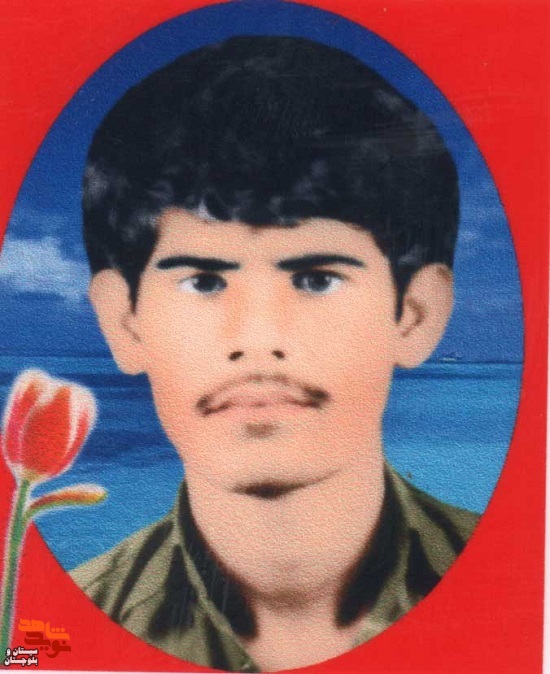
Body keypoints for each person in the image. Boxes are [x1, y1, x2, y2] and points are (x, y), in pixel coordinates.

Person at [71, 36, 479, 672]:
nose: (258, 338)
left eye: (316, 278)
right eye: (203, 281)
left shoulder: (522, 590)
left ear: (414, 315)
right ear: (124, 322)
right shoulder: (52, 629)